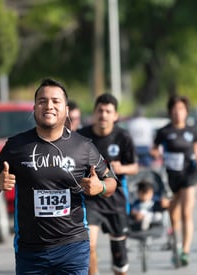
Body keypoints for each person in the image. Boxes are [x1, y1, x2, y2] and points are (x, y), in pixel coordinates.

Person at [0, 78, 118, 275]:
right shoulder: (17, 145)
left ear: (66, 109)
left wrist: (101, 187)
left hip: (72, 246)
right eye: (42, 101)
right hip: (30, 250)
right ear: (35, 107)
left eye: (56, 101)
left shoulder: (83, 146)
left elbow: (111, 181)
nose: (49, 106)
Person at [78, 93, 138, 275]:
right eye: (100, 110)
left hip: (116, 200)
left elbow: (135, 167)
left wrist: (122, 168)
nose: (103, 115)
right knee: (89, 246)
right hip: (90, 201)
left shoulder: (123, 136)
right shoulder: (81, 137)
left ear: (115, 115)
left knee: (120, 261)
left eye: (108, 111)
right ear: (94, 113)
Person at [151, 95, 197, 267]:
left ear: (186, 112)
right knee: (173, 215)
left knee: (186, 212)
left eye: (181, 109)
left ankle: (186, 251)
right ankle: (176, 246)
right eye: (175, 109)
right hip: (170, 178)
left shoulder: (191, 130)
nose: (178, 112)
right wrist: (156, 154)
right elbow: (154, 149)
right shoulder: (164, 131)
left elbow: (196, 150)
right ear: (170, 111)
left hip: (189, 174)